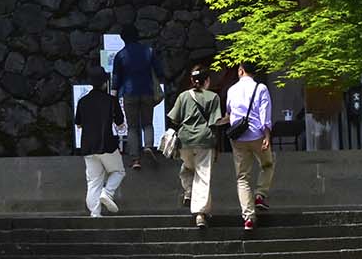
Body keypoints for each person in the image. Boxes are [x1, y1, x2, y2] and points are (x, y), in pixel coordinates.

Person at [166, 64, 223, 227]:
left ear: (191, 80)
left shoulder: (183, 96)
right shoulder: (213, 97)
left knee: (188, 169)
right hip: (204, 140)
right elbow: (215, 122)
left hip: (185, 142)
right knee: (203, 175)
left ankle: (189, 192)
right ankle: (200, 213)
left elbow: (174, 119)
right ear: (207, 81)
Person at [225, 59, 274, 231]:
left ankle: (249, 217)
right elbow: (264, 113)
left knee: (242, 177)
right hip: (257, 135)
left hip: (238, 139)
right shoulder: (261, 88)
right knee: (267, 164)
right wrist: (267, 135)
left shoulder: (232, 90)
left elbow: (229, 112)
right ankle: (260, 194)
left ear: (240, 71)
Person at [111, 24, 166, 169]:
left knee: (132, 127)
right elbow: (159, 71)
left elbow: (116, 78)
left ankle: (135, 160)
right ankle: (148, 146)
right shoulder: (149, 51)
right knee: (147, 123)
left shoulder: (121, 55)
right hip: (147, 92)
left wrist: (113, 95)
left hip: (129, 94)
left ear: (123, 38)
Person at [74, 66, 126, 217]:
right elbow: (120, 123)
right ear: (105, 82)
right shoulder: (111, 100)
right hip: (107, 144)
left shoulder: (83, 101)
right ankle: (107, 193)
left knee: (94, 181)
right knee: (118, 171)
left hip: (88, 147)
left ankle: (95, 213)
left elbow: (78, 124)